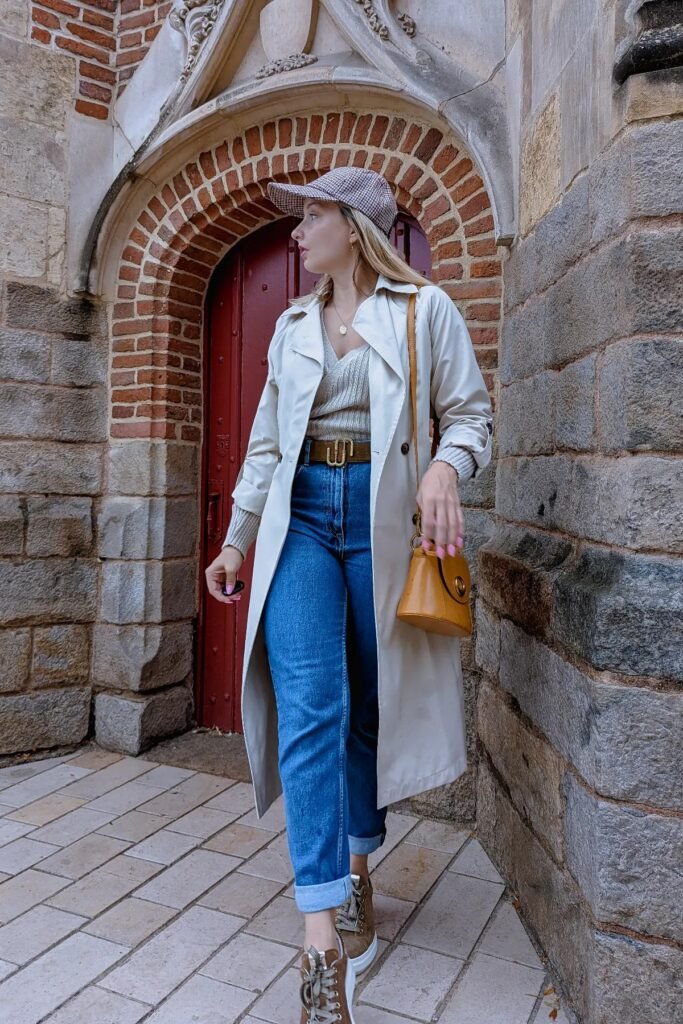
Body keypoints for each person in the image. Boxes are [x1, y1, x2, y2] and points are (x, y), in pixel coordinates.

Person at [205, 166, 494, 1022]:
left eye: (311, 216)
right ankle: (320, 939)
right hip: (299, 520)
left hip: (383, 517)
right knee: (311, 710)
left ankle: (359, 864)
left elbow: (470, 416)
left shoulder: (422, 311)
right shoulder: (292, 325)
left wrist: (445, 467)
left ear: (355, 228)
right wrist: (236, 536)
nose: (297, 233)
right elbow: (266, 444)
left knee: (369, 702)